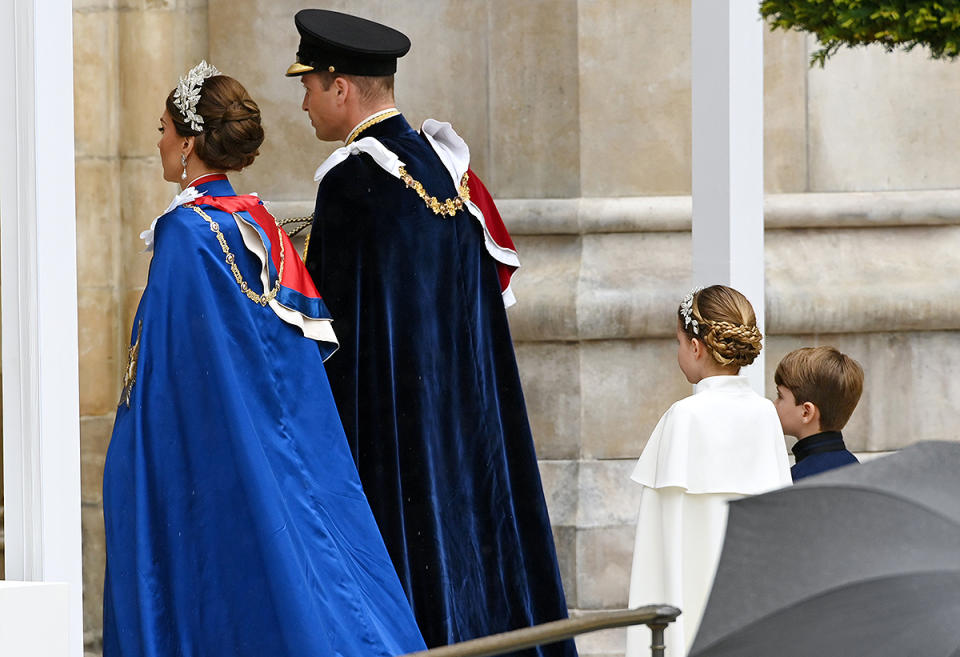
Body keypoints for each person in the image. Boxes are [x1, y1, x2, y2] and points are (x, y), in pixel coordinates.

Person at [102, 61, 426, 657]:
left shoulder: (187, 232)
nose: (159, 143)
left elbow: (168, 372)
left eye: (163, 129)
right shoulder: (259, 223)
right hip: (279, 441)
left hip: (209, 449)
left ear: (190, 140)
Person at [285, 9, 576, 657]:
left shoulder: (353, 183)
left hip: (393, 435)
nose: (301, 100)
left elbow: (329, 341)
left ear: (341, 87)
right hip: (462, 424)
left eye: (308, 83)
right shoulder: (445, 169)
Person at [625, 285, 792, 657]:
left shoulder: (683, 417)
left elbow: (660, 546)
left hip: (689, 620)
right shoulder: (766, 413)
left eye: (680, 342)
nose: (679, 352)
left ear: (696, 348)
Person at [773, 346, 864, 481]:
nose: (774, 404)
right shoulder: (854, 466)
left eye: (780, 396)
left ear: (806, 412)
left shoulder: (798, 480)